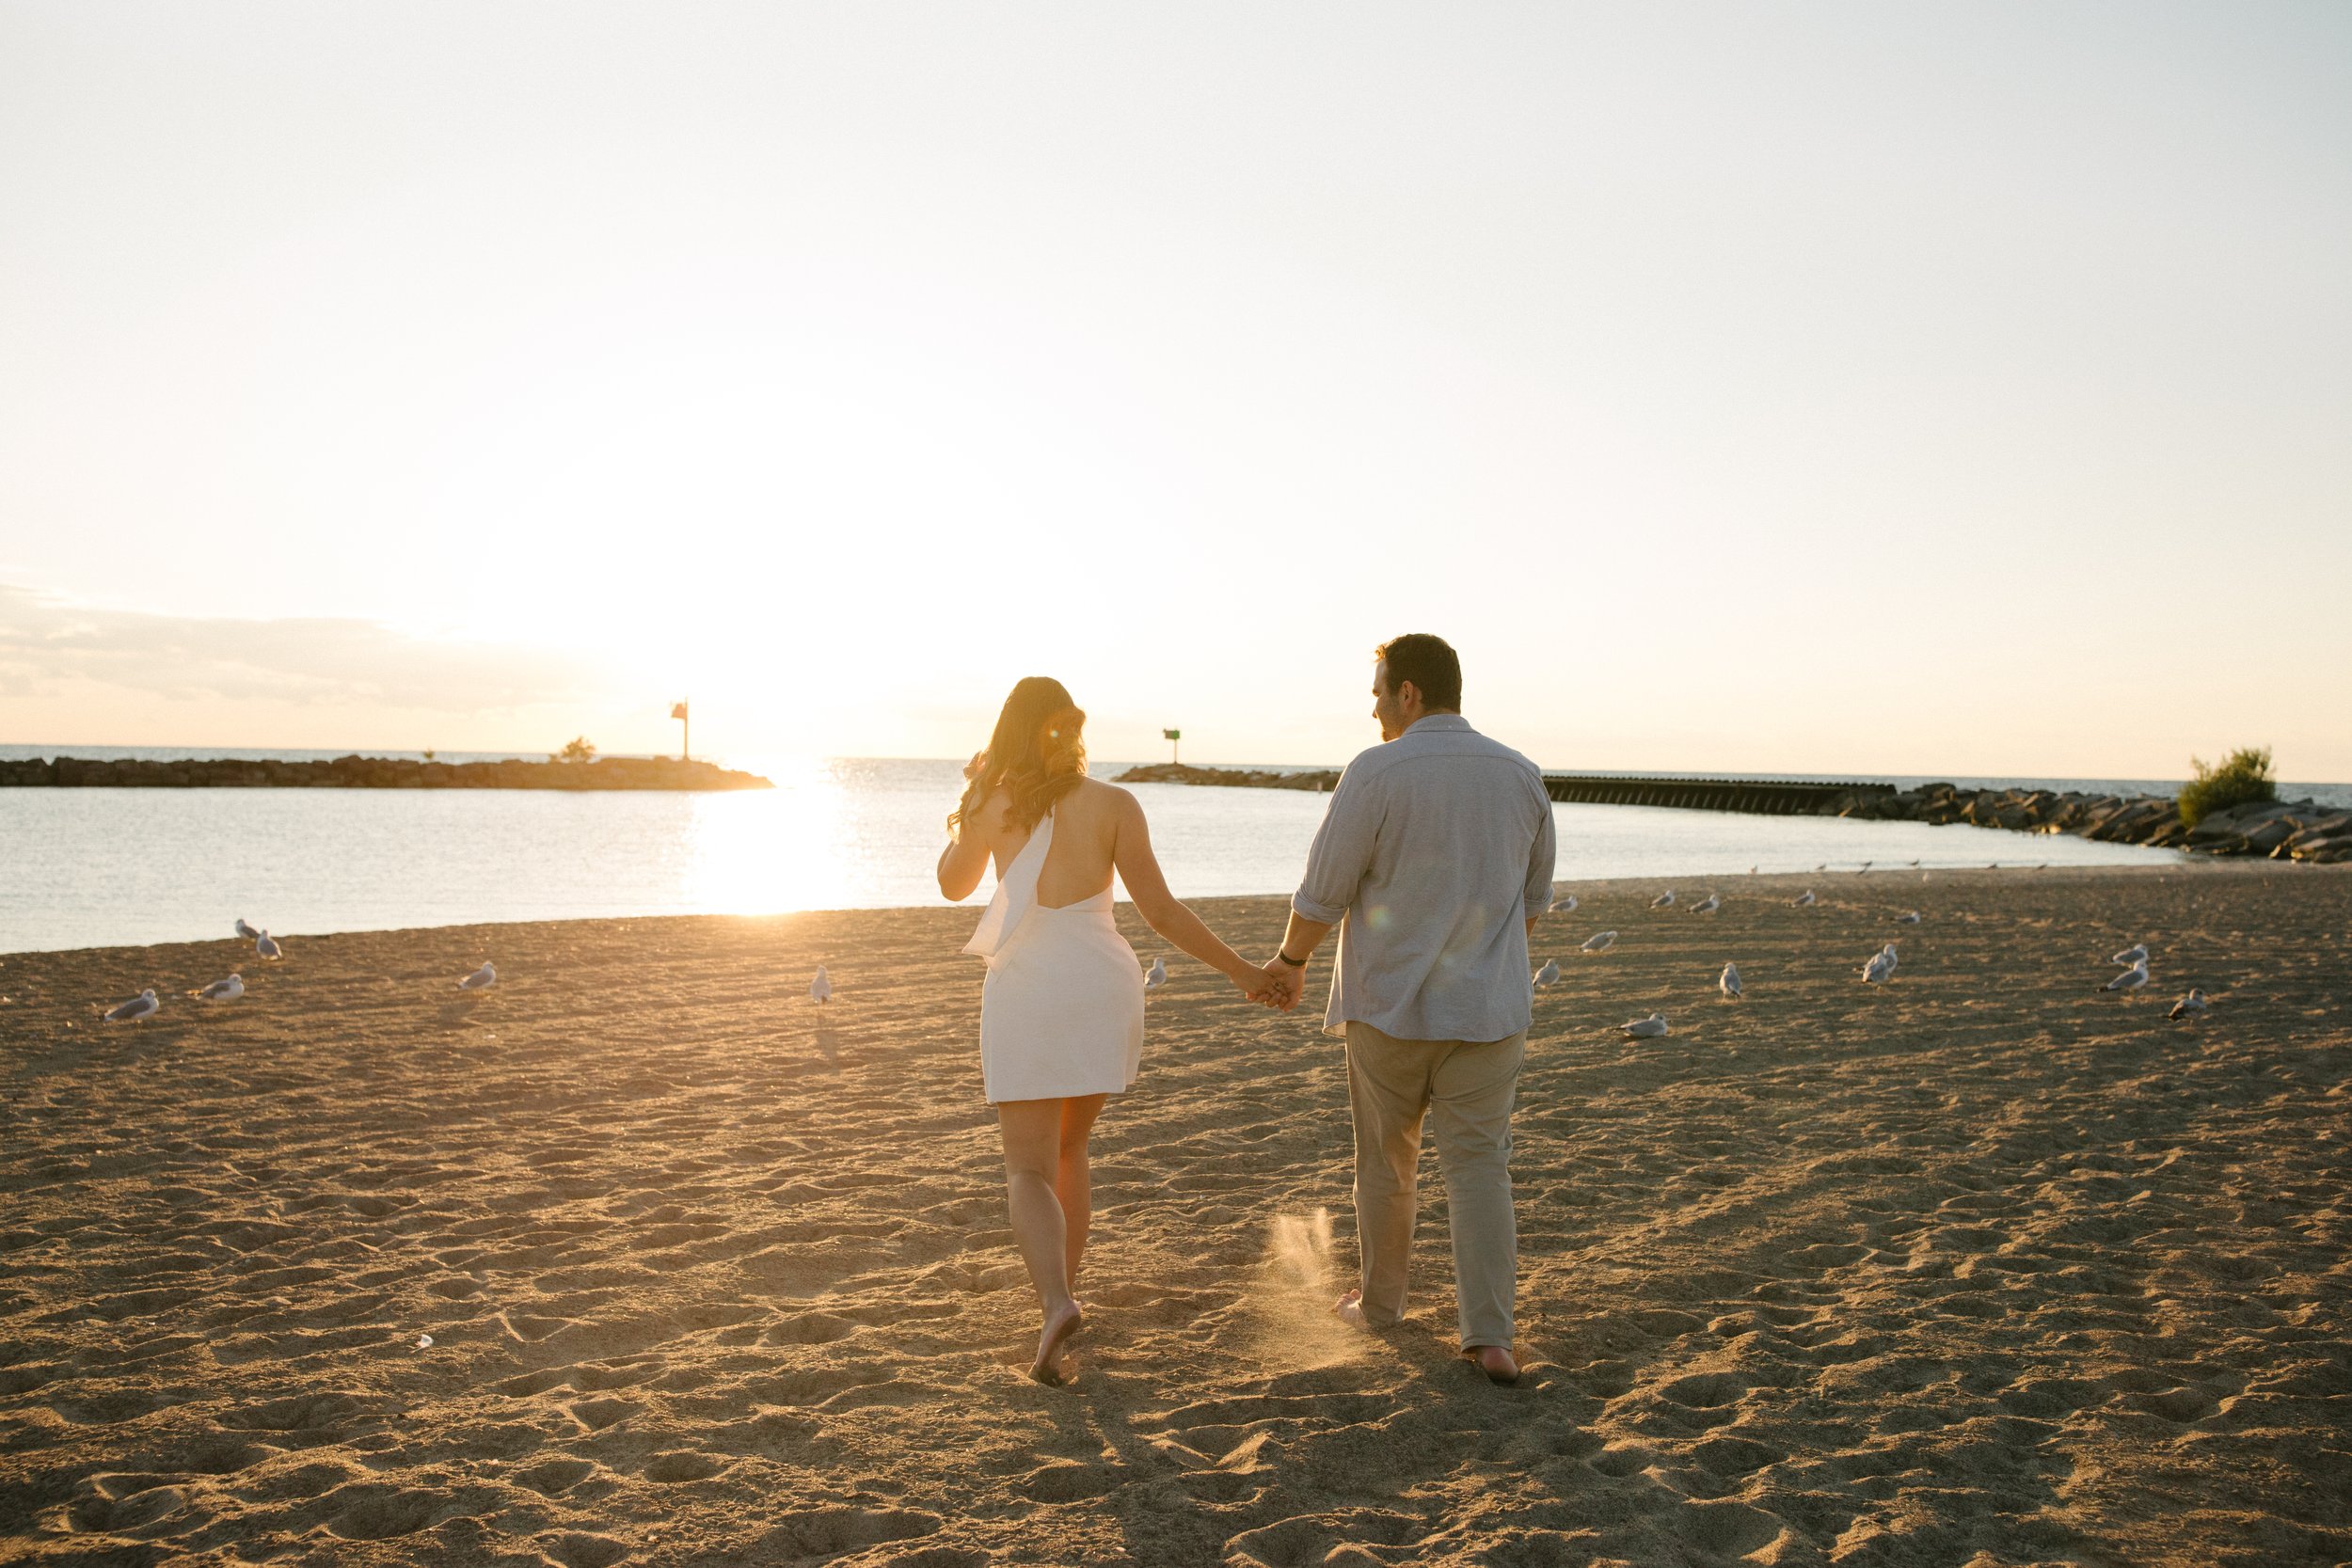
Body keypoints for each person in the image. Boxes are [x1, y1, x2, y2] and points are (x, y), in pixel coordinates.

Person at [938, 676, 1278, 1384]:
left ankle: (1056, 1301)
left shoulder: (991, 800)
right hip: (1101, 979)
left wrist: (972, 804)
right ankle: (1062, 1296)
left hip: (1030, 981)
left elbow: (952, 881)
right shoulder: (1116, 803)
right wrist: (1243, 969)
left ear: (1008, 731)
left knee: (1026, 1167)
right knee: (1071, 1145)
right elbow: (1160, 911)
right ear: (1070, 729)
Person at [1260, 634, 1556, 1384]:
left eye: (1380, 692)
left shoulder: (1377, 771)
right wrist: (1483, 964)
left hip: (1387, 1011)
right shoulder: (1522, 776)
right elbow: (1530, 906)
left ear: (1411, 693)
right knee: (1481, 1166)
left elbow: (1322, 889)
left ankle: (1382, 1307)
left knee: (1386, 1165)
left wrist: (1291, 962)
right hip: (1488, 1014)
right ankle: (1490, 1335)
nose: (1374, 708)